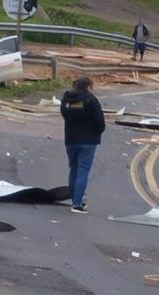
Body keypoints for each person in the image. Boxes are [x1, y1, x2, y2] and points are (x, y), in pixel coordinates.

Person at [60, 76, 105, 214]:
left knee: (73, 170)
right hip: (88, 140)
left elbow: (64, 114)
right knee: (83, 171)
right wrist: (97, 132)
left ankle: (75, 199)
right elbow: (100, 122)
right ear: (88, 86)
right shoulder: (91, 101)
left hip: (71, 139)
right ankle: (77, 203)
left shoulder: (66, 100)